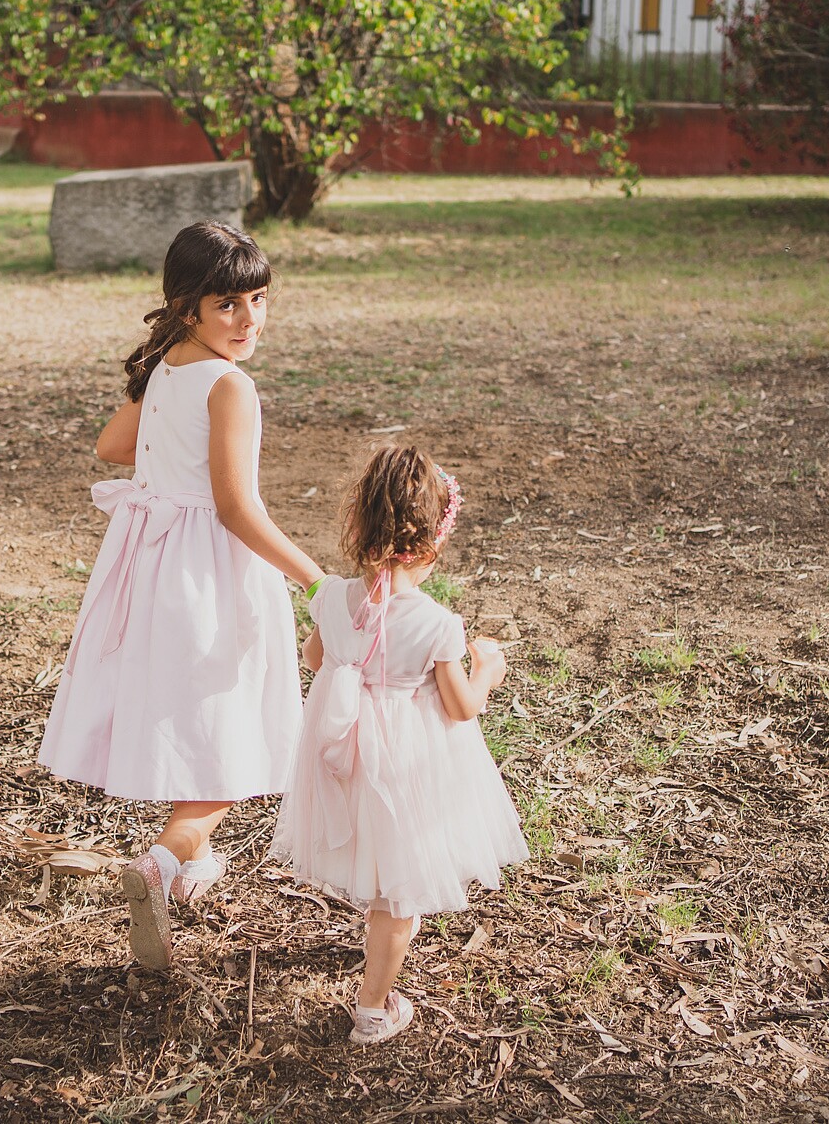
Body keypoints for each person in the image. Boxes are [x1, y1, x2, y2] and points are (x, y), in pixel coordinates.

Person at [39, 220, 322, 970]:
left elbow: (111, 444)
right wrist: (317, 579)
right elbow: (236, 507)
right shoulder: (230, 385)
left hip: (154, 562)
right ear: (186, 305)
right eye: (227, 304)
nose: (248, 319)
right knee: (241, 735)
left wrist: (166, 451)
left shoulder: (170, 366)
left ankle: (194, 857)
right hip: (213, 570)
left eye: (259, 299)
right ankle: (162, 862)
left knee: (207, 720)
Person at [271, 446, 528, 1045]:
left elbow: (315, 658)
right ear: (434, 542)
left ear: (359, 525)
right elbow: (462, 707)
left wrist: (347, 659)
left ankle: (374, 957)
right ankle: (372, 1010)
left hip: (344, 756)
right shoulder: (437, 623)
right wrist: (488, 669)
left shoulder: (333, 596)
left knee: (370, 852)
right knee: (398, 892)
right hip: (405, 768)